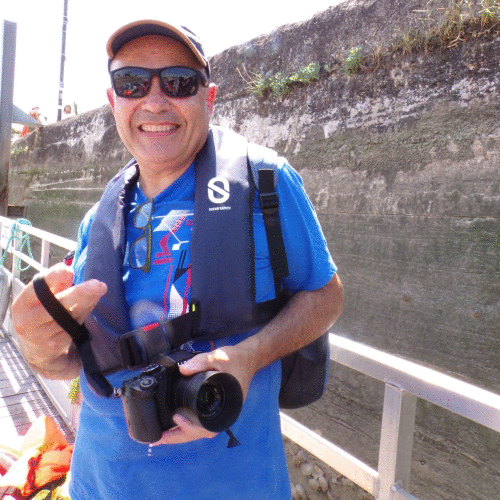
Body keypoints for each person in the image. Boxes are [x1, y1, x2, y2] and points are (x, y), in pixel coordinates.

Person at [11, 20, 343, 500]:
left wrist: (250, 356)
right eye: (132, 83)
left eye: (179, 82)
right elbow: (75, 365)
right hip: (97, 484)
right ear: (113, 101)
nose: (154, 101)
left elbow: (326, 296)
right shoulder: (97, 220)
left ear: (209, 98)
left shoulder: (265, 182)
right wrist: (36, 348)